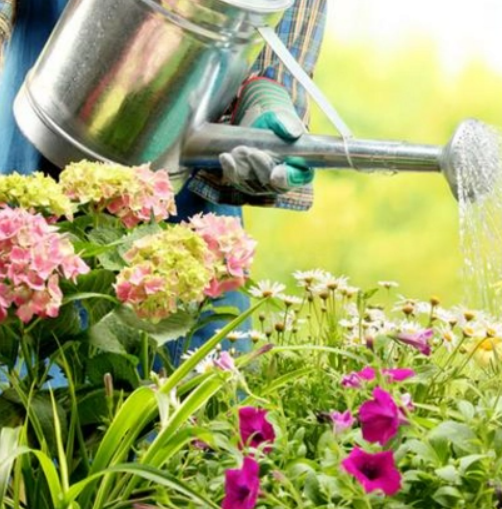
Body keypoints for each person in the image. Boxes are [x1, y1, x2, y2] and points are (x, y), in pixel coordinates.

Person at [0, 0, 327, 361]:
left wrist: (263, 99)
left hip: (179, 189)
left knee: (176, 393)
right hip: (31, 140)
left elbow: (273, 28)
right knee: (24, 381)